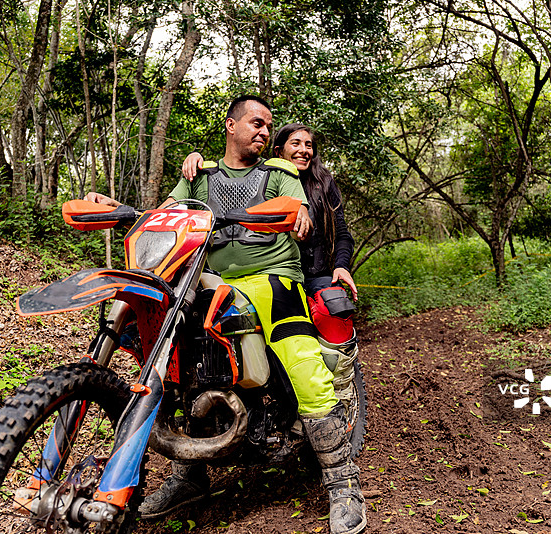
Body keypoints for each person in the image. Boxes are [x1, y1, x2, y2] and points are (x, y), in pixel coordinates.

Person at [85, 96, 366, 534]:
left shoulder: (281, 172)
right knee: (177, 365)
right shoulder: (201, 175)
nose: (264, 132)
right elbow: (166, 214)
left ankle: (343, 485)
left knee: (306, 366)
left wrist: (298, 216)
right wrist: (119, 207)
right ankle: (189, 475)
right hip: (206, 278)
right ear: (231, 125)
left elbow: (301, 212)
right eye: (256, 123)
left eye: (269, 126)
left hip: (273, 280)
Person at [183, 123, 359, 408]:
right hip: (265, 271)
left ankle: (342, 388)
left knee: (332, 306)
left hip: (313, 272)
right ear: (278, 151)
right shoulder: (264, 176)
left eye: (309, 145)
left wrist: (341, 266)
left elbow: (341, 233)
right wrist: (195, 160)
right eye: (296, 144)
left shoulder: (323, 183)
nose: (303, 150)